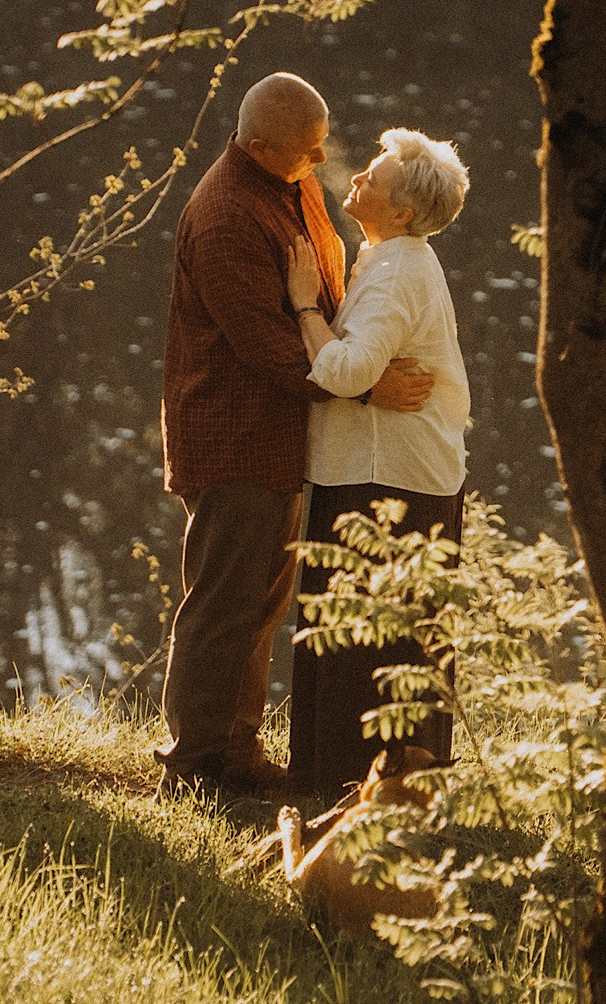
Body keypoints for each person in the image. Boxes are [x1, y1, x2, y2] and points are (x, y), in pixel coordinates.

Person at [155, 75, 433, 798]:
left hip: (280, 436)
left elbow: (325, 280)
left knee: (262, 604)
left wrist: (355, 346)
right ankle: (191, 767)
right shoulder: (224, 216)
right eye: (306, 152)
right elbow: (264, 346)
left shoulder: (291, 184)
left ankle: (237, 752)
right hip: (231, 434)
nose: (320, 161)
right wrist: (366, 383)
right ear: (257, 146)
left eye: (321, 146)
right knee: (221, 605)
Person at [285, 127, 471, 802]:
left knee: (369, 640)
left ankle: (354, 793)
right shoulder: (386, 257)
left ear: (402, 211)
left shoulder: (397, 274)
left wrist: (306, 302)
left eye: (376, 172)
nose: (358, 175)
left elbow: (344, 370)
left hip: (385, 482)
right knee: (372, 638)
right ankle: (360, 790)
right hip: (382, 471)